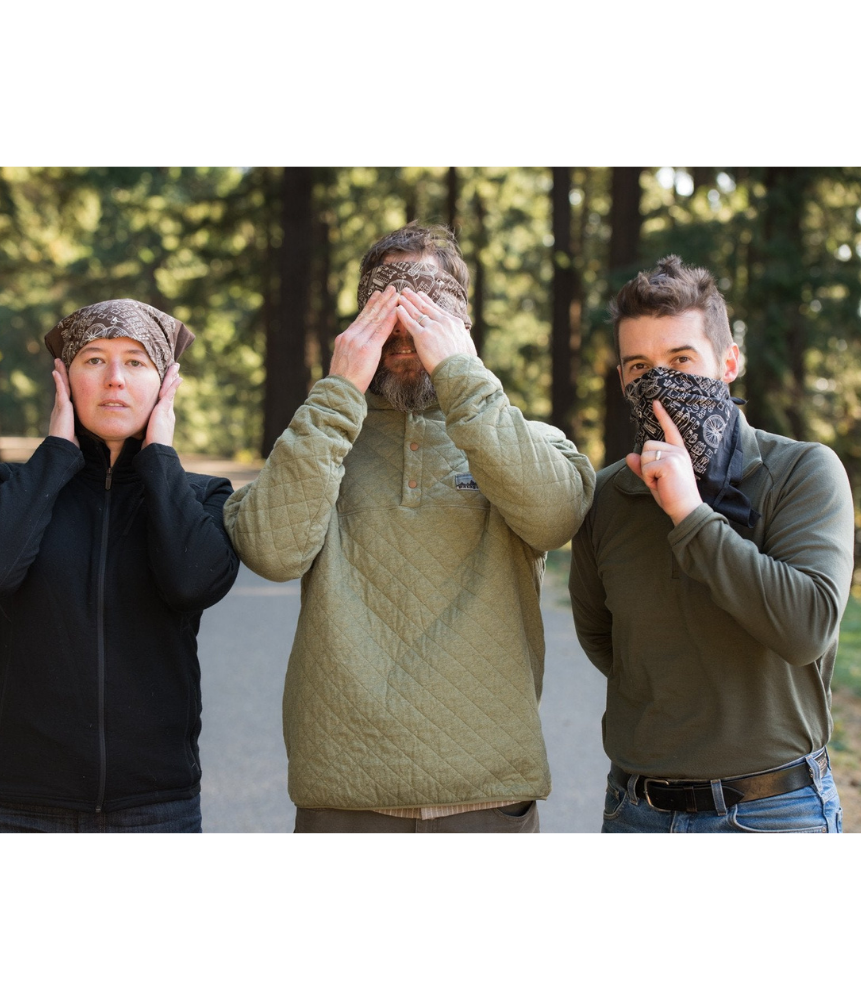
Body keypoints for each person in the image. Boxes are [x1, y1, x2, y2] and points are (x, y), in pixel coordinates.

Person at [224, 223, 595, 833]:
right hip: (342, 794)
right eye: (387, 307)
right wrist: (338, 390)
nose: (405, 328)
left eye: (427, 307)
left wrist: (466, 382)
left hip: (486, 793)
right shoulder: (324, 434)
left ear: (462, 324)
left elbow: (555, 518)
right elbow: (271, 552)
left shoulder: (527, 439)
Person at [568, 255, 854, 833]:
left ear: (729, 362)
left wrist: (689, 513)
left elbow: (808, 627)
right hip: (637, 813)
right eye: (639, 367)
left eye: (681, 359)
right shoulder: (606, 497)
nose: (660, 382)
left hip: (776, 811)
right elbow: (605, 640)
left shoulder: (803, 472)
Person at [0, 299, 239, 833]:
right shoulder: (7, 486)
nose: (115, 381)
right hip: (8, 799)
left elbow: (191, 581)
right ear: (64, 377)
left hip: (155, 803)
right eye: (94, 360)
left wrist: (159, 457)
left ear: (165, 383)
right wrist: (56, 452)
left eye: (135, 362)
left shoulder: (202, 497)